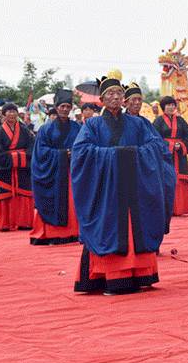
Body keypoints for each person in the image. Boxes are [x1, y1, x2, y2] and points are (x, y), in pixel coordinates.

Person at [72, 74, 175, 295]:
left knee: (136, 226)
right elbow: (82, 153)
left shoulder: (138, 124)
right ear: (102, 98)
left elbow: (156, 146)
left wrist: (131, 154)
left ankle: (139, 275)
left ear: (124, 98)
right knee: (110, 227)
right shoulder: (92, 125)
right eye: (110, 94)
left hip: (136, 188)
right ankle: (111, 278)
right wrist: (116, 156)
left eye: (119, 93)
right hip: (107, 191)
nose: (115, 97)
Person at [30, 89, 81, 245]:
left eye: (68, 106)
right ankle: (52, 233)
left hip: (71, 172)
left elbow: (83, 146)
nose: (65, 109)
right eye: (62, 106)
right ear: (56, 107)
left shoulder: (77, 127)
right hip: (53, 173)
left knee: (72, 202)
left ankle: (73, 232)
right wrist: (61, 154)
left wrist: (75, 153)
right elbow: (41, 152)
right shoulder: (46, 129)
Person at [0, 103, 35, 231]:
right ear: (4, 114)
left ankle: (24, 222)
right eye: (8, 111)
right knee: (6, 194)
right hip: (6, 168)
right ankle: (5, 223)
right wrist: (14, 158)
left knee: (24, 193)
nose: (12, 114)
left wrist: (20, 157)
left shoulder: (25, 130)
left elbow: (32, 146)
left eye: (14, 111)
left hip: (22, 167)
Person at [153, 96, 188, 216]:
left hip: (179, 154)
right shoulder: (158, 121)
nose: (171, 107)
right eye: (168, 105)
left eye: (173, 105)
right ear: (163, 107)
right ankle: (166, 208)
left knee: (180, 180)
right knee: (165, 180)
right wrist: (170, 145)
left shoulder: (181, 121)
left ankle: (180, 208)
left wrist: (181, 145)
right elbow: (154, 139)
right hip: (165, 156)